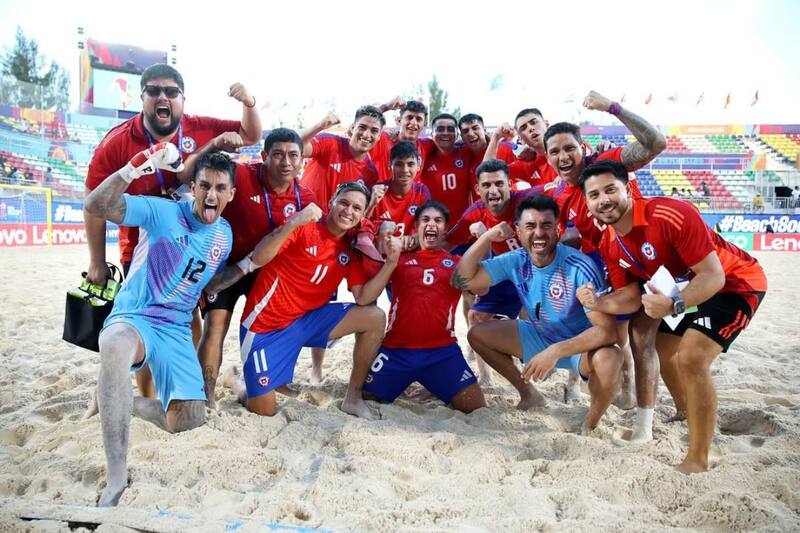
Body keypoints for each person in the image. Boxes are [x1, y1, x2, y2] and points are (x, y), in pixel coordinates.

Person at [83, 63, 261, 398]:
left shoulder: (198, 127)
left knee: (186, 319)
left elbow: (250, 135)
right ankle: (146, 396)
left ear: (182, 99)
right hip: (142, 245)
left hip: (190, 241)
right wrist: (96, 261)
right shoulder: (117, 142)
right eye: (154, 91)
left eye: (171, 91)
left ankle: (177, 389)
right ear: (142, 98)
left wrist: (249, 102)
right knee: (141, 320)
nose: (162, 97)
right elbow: (94, 202)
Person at [578, 160, 767, 473]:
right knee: (659, 347)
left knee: (692, 356)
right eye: (594, 194)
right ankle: (683, 411)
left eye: (610, 189)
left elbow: (713, 276)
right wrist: (598, 301)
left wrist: (673, 305)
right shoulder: (610, 242)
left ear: (628, 189)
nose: (604, 200)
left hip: (734, 283)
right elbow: (629, 297)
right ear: (587, 203)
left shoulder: (670, 214)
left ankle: (698, 460)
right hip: (683, 291)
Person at [82, 146, 236, 506]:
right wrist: (135, 167)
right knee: (115, 345)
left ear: (231, 193)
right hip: (136, 315)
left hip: (176, 327)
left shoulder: (224, 235)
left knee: (188, 420)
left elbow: (205, 278)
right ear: (193, 188)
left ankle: (118, 399)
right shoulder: (163, 211)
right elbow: (96, 205)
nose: (211, 194)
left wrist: (247, 267)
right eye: (204, 185)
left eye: (220, 188)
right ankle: (116, 478)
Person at [206, 181, 387, 419]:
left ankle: (353, 398)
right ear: (331, 202)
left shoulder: (350, 246)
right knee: (264, 411)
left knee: (375, 317)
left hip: (305, 322)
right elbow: (259, 256)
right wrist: (294, 222)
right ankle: (234, 381)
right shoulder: (305, 225)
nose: (348, 211)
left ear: (362, 215)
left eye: (356, 208)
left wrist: (391, 263)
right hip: (265, 327)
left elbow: (363, 296)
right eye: (344, 203)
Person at [453, 195, 622, 432]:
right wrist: (487, 237)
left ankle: (590, 424)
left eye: (546, 225)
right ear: (518, 232)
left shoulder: (579, 266)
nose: (539, 233)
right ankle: (529, 394)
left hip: (579, 347)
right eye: (531, 226)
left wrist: (556, 351)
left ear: (558, 230)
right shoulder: (517, 259)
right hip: (540, 336)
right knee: (477, 333)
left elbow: (608, 332)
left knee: (611, 358)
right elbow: (462, 279)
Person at [188, 128, 317, 407]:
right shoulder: (241, 175)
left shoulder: (305, 198)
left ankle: (276, 380)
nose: (286, 162)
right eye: (278, 154)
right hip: (226, 267)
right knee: (215, 326)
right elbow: (201, 175)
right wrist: (214, 144)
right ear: (264, 156)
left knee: (278, 327)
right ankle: (206, 395)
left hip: (266, 272)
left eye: (293, 155)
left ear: (301, 160)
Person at [360, 200, 486, 412]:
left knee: (476, 407)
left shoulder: (456, 263)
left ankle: (434, 384)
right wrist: (388, 243)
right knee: (368, 397)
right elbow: (368, 289)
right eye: (425, 220)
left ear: (445, 229)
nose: (431, 224)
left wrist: (484, 241)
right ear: (416, 226)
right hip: (396, 352)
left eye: (438, 220)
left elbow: (482, 290)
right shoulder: (399, 259)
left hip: (442, 353)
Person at [445, 159, 535, 385]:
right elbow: (447, 241)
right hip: (505, 270)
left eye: (499, 184)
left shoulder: (528, 200)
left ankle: (570, 383)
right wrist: (412, 247)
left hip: (536, 271)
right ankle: (485, 377)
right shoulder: (475, 213)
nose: (493, 190)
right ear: (478, 189)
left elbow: (563, 188)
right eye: (486, 185)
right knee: (475, 316)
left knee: (532, 313)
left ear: (510, 184)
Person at [300, 106, 383, 210]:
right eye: (362, 127)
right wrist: (320, 126)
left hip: (333, 220)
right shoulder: (329, 143)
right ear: (352, 128)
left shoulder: (371, 173)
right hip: (301, 214)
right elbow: (298, 149)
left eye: (374, 131)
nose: (367, 134)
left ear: (379, 137)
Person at [418, 113, 475, 225]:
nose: (445, 133)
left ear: (457, 133)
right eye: (440, 129)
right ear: (431, 133)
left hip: (463, 227)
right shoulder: (424, 155)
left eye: (450, 129)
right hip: (433, 227)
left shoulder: (467, 152)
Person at [366, 140, 432, 236]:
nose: (405, 170)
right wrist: (371, 205)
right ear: (389, 166)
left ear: (418, 166)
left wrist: (405, 242)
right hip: (377, 246)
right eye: (399, 164)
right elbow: (360, 228)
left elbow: (427, 230)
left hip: (409, 245)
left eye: (410, 164)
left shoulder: (421, 192)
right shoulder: (376, 191)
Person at [370, 99, 435, 180]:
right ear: (399, 120)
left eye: (418, 119)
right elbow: (365, 121)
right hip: (383, 188)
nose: (413, 123)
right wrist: (385, 107)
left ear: (424, 124)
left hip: (413, 188)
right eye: (409, 117)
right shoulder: (382, 139)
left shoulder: (427, 145)